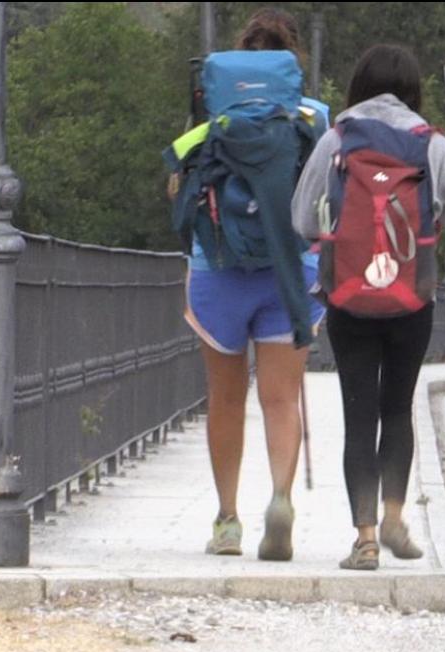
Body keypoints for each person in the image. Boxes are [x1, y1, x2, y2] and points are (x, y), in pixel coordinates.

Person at [292, 44, 445, 570]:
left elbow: (302, 221)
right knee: (397, 407)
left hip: (349, 300)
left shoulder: (335, 139)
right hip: (411, 302)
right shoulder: (434, 148)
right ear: (414, 92)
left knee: (358, 414)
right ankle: (397, 512)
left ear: (358, 86)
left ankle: (365, 539)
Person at [172, 9, 330, 562]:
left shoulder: (209, 111)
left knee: (225, 400)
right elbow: (328, 196)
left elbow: (177, 180)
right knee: (281, 398)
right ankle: (282, 499)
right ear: (292, 63)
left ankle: (227, 520)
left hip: (217, 268)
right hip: (293, 271)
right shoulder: (314, 117)